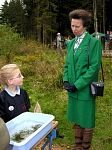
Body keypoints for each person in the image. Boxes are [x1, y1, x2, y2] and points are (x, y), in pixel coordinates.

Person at [63, 9, 102, 150]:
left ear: (84, 26)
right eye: (72, 25)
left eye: (77, 26)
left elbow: (93, 68)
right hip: (72, 90)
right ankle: (77, 145)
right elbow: (67, 64)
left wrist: (77, 85)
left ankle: (86, 147)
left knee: (86, 118)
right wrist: (66, 80)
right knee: (76, 117)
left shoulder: (93, 43)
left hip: (85, 89)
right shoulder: (71, 43)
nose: (74, 29)